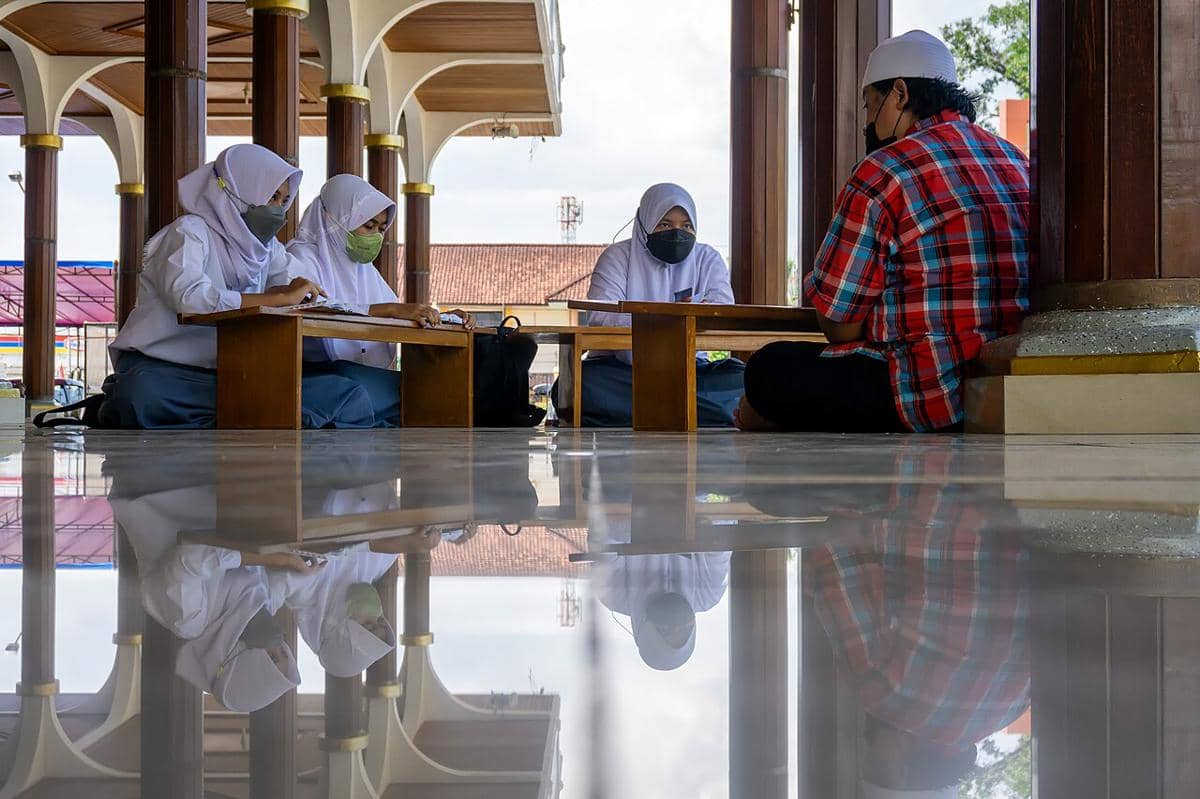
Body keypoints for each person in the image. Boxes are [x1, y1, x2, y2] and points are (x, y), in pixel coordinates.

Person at [736, 30, 1029, 434]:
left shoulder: (883, 170)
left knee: (768, 368)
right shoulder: (1016, 160)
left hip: (928, 392)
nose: (868, 121)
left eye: (870, 105)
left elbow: (839, 324)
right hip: (1004, 385)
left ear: (900, 94)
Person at [101, 143, 379, 429]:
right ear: (240, 189)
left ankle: (232, 413)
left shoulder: (268, 250)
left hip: (229, 374)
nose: (278, 210)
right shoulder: (189, 232)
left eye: (284, 200)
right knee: (140, 395)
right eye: (272, 196)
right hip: (163, 370)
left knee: (345, 394)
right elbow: (190, 298)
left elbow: (314, 296)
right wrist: (275, 299)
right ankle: (246, 413)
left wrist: (378, 310)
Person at [287, 174, 474, 426]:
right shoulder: (299, 257)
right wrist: (390, 310)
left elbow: (400, 313)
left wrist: (443, 318)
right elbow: (311, 307)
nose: (375, 236)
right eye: (368, 225)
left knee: (434, 391)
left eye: (381, 228)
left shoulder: (364, 270)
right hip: (315, 374)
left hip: (356, 374)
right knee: (394, 395)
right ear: (337, 219)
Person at [555, 183, 745, 427]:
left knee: (743, 377)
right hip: (621, 369)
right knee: (577, 386)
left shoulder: (707, 259)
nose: (677, 233)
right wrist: (668, 317)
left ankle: (648, 408)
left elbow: (723, 315)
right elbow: (601, 317)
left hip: (691, 371)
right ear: (645, 223)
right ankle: (696, 410)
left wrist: (687, 315)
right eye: (665, 224)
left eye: (686, 226)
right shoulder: (617, 257)